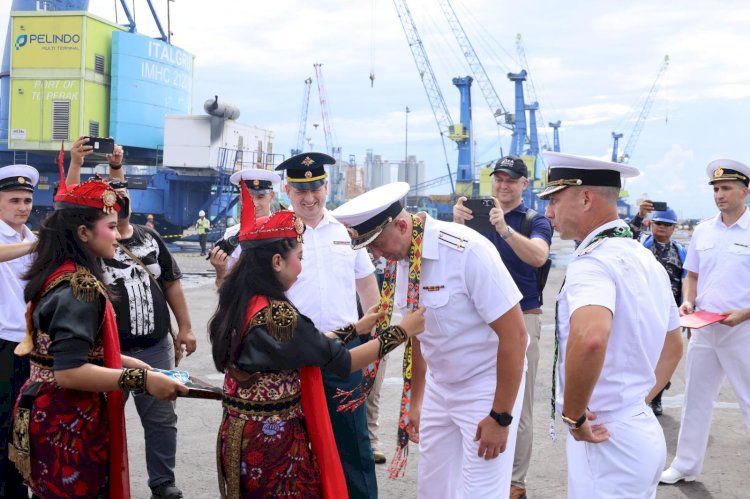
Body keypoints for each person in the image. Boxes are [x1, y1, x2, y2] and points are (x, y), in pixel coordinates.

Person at [208, 180, 426, 498]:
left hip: (241, 434)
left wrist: (356, 327)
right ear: (277, 262)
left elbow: (307, 342)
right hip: (274, 445)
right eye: (299, 255)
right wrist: (402, 331)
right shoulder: (279, 315)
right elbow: (342, 359)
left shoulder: (244, 301)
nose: (302, 264)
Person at [332, 181, 528, 498]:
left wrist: (500, 416)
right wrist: (417, 402)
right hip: (441, 386)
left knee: (480, 491)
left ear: (401, 224)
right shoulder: (403, 258)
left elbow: (516, 336)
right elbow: (420, 334)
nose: (377, 255)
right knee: (433, 489)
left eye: (378, 245)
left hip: (485, 384)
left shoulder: (466, 251)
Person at [8, 171, 187, 499]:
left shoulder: (61, 272)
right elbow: (69, 371)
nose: (118, 236)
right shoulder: (81, 288)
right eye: (109, 227)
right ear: (83, 233)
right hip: (68, 420)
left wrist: (129, 362)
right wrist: (141, 381)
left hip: (49, 411)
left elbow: (72, 353)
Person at [538, 151, 682, 498]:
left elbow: (590, 338)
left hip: (605, 439)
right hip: (638, 428)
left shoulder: (592, 263)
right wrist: (636, 402)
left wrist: (574, 417)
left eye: (555, 200)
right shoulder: (644, 259)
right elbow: (674, 346)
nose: (548, 212)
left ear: (585, 198)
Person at [68, 137, 197, 499]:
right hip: (108, 349)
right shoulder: (90, 245)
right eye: (110, 201)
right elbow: (69, 209)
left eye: (122, 199)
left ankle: (163, 484)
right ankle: (103, 481)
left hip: (155, 347)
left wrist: (184, 327)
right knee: (102, 419)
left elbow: (171, 284)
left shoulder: (151, 238)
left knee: (160, 418)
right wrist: (80, 165)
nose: (118, 204)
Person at [276, 152, 382, 499]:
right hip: (291, 351)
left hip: (343, 352)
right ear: (287, 191)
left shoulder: (346, 230)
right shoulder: (278, 234)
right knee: (294, 439)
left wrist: (375, 339)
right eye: (300, 190)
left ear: (326, 186)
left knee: (352, 439)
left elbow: (367, 286)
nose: (309, 198)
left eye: (316, 188)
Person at [453, 155, 552, 499]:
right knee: (475, 396)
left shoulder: (533, 221)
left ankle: (516, 482)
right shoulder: (472, 219)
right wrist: (457, 227)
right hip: (478, 319)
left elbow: (539, 256)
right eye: (498, 179)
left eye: (511, 180)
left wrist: (504, 230)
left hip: (523, 316)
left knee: (518, 405)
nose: (503, 185)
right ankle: (478, 470)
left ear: (525, 185)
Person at [661, 159, 750, 485]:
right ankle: (685, 464)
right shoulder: (703, 230)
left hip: (743, 329)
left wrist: (746, 313)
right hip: (706, 327)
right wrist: (688, 301)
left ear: (744, 191)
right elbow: (692, 275)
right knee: (695, 398)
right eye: (715, 188)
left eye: (726, 188)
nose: (720, 194)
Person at [0, 164, 38, 498]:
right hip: (2, 344)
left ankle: (18, 489)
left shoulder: (33, 238)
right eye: (14, 200)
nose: (23, 206)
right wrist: (34, 248)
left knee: (23, 424)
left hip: (31, 346)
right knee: (1, 426)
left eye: (27, 200)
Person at [629, 203, 686, 416]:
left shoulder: (680, 251)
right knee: (641, 357)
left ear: (673, 228)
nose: (662, 227)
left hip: (668, 314)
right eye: (658, 223)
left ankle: (656, 398)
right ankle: (638, 398)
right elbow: (627, 235)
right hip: (641, 311)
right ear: (651, 224)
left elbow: (687, 280)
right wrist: (640, 215)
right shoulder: (640, 244)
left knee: (664, 357)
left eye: (666, 225)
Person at [209, 167, 281, 288]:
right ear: (241, 199)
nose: (254, 204)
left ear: (271, 196)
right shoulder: (231, 236)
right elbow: (222, 288)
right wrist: (220, 271)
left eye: (261, 197)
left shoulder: (285, 233)